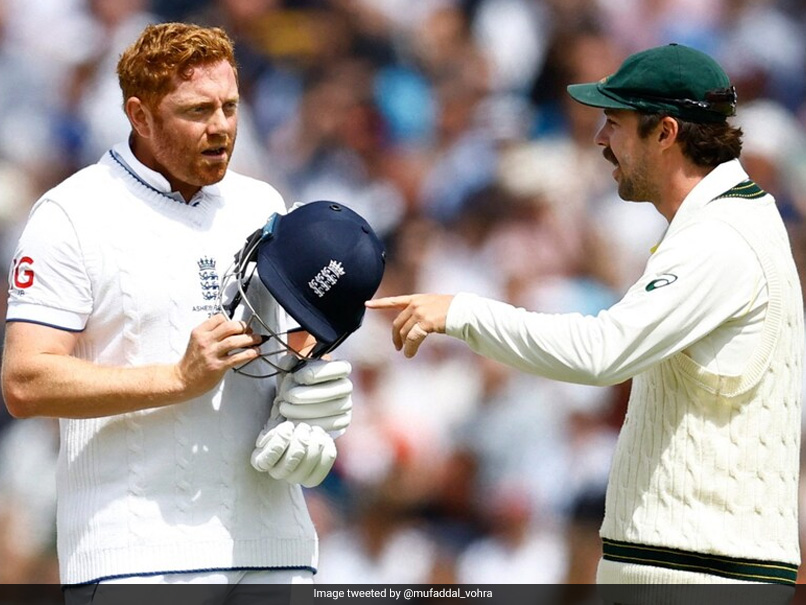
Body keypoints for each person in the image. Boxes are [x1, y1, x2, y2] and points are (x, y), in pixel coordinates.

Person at [368, 43, 804, 587]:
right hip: (695, 566)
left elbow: (602, 352)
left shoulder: (721, 238)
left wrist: (462, 311)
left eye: (614, 123)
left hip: (696, 571)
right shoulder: (725, 222)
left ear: (666, 132)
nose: (600, 139)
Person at [0, 22, 359, 593]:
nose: (220, 128)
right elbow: (25, 379)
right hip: (136, 554)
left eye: (230, 107)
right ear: (139, 116)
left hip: (274, 543)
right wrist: (176, 378)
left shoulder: (262, 203)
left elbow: (288, 350)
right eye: (197, 111)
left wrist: (307, 414)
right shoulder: (70, 214)